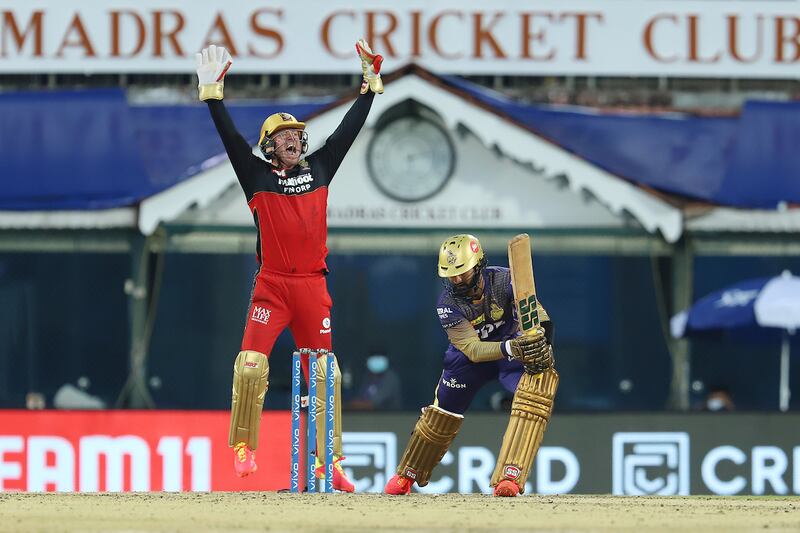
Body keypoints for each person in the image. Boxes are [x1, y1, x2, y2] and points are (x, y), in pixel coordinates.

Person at [195, 40, 384, 491]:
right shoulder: (256, 176)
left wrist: (369, 88)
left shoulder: (319, 168)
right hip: (273, 287)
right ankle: (243, 447)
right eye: (284, 138)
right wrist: (213, 97)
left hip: (313, 287)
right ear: (269, 146)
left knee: (325, 373)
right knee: (250, 364)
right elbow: (231, 140)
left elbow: (346, 132)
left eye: (297, 136)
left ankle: (329, 464)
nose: (294, 141)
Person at [383, 234, 558, 497]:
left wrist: (542, 342)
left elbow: (538, 317)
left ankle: (510, 477)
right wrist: (511, 348)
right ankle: (407, 473)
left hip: (513, 349)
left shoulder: (505, 280)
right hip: (470, 358)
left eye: (462, 274)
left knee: (537, 390)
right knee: (441, 414)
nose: (456, 281)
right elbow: (473, 350)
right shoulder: (447, 304)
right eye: (451, 275)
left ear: (478, 265)